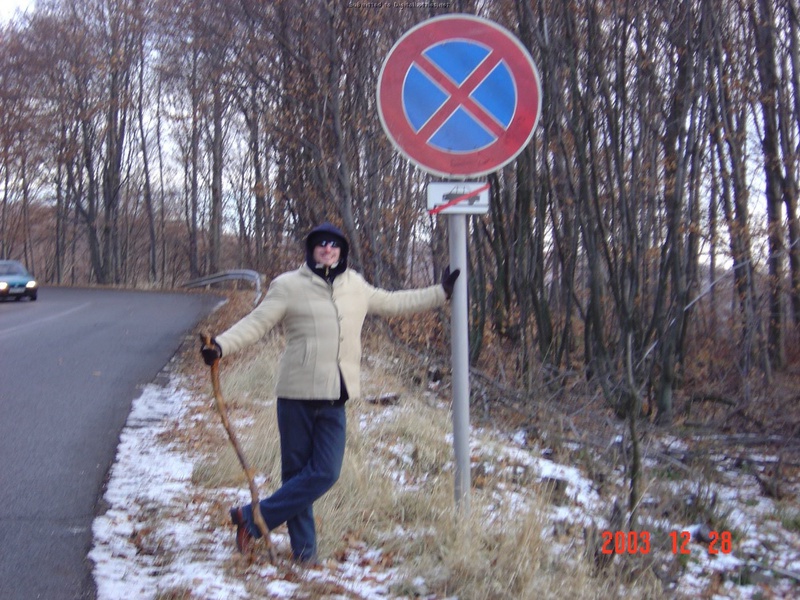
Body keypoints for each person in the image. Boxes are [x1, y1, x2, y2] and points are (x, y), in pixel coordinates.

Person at [200, 222, 459, 563]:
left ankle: (251, 517)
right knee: (296, 475)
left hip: (336, 396)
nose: (327, 249)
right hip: (296, 395)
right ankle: (305, 553)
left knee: (324, 472)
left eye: (333, 245)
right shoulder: (288, 286)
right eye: (320, 244)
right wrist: (220, 345)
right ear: (311, 249)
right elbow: (257, 323)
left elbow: (395, 302)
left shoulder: (357, 286)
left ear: (342, 251)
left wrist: (439, 293)